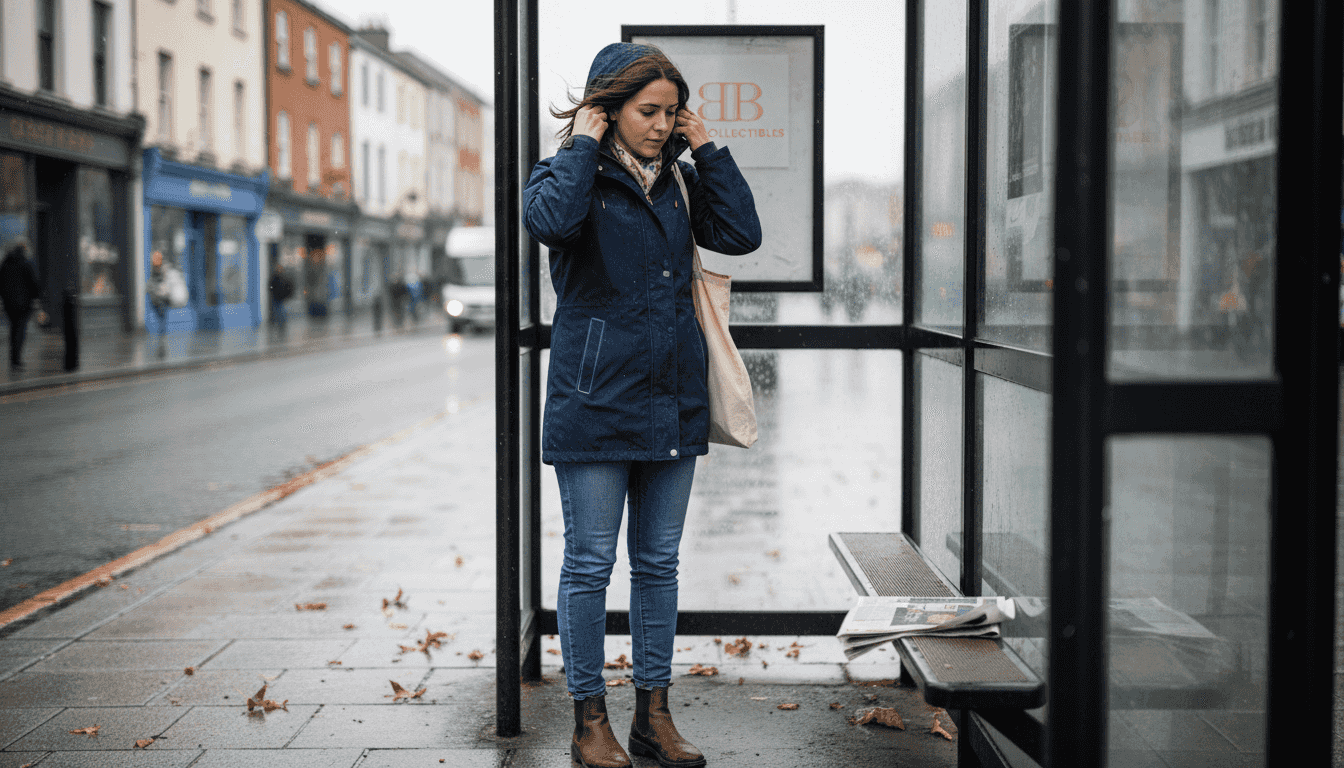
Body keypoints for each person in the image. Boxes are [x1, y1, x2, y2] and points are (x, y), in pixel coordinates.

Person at [523, 43, 761, 768]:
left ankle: (653, 717)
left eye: (669, 112)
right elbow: (552, 225)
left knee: (658, 563)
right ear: (609, 108)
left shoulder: (682, 182)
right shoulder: (564, 176)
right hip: (594, 401)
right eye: (646, 111)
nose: (660, 125)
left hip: (671, 398)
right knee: (590, 563)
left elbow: (742, 234)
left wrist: (709, 146)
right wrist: (585, 143)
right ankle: (587, 719)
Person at [0, 241, 42, 368]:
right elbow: (34, 283)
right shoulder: (26, 263)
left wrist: (5, 297)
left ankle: (14, 358)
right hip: (23, 303)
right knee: (20, 330)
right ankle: (16, 360)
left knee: (13, 329)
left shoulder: (5, 263)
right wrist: (37, 298)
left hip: (9, 303)